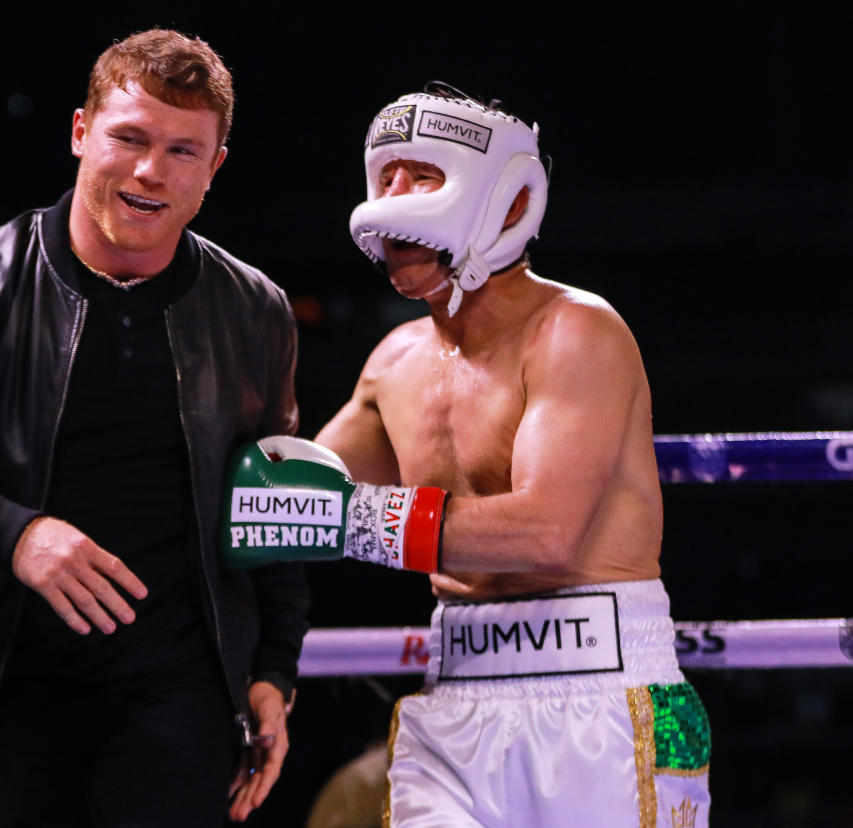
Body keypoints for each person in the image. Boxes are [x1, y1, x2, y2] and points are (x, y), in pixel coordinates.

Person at [0, 29, 308, 827]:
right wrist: (14, 533)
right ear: (81, 133)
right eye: (130, 138)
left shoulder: (254, 309)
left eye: (184, 151)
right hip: (13, 686)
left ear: (214, 168)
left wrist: (275, 672)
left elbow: (274, 507)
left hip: (178, 690)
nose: (152, 171)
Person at [221, 83, 710, 826]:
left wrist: (352, 520)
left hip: (609, 699)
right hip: (455, 700)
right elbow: (288, 503)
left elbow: (548, 532)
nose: (395, 199)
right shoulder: (394, 363)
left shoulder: (576, 332)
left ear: (504, 200)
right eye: (386, 177)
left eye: (422, 177)